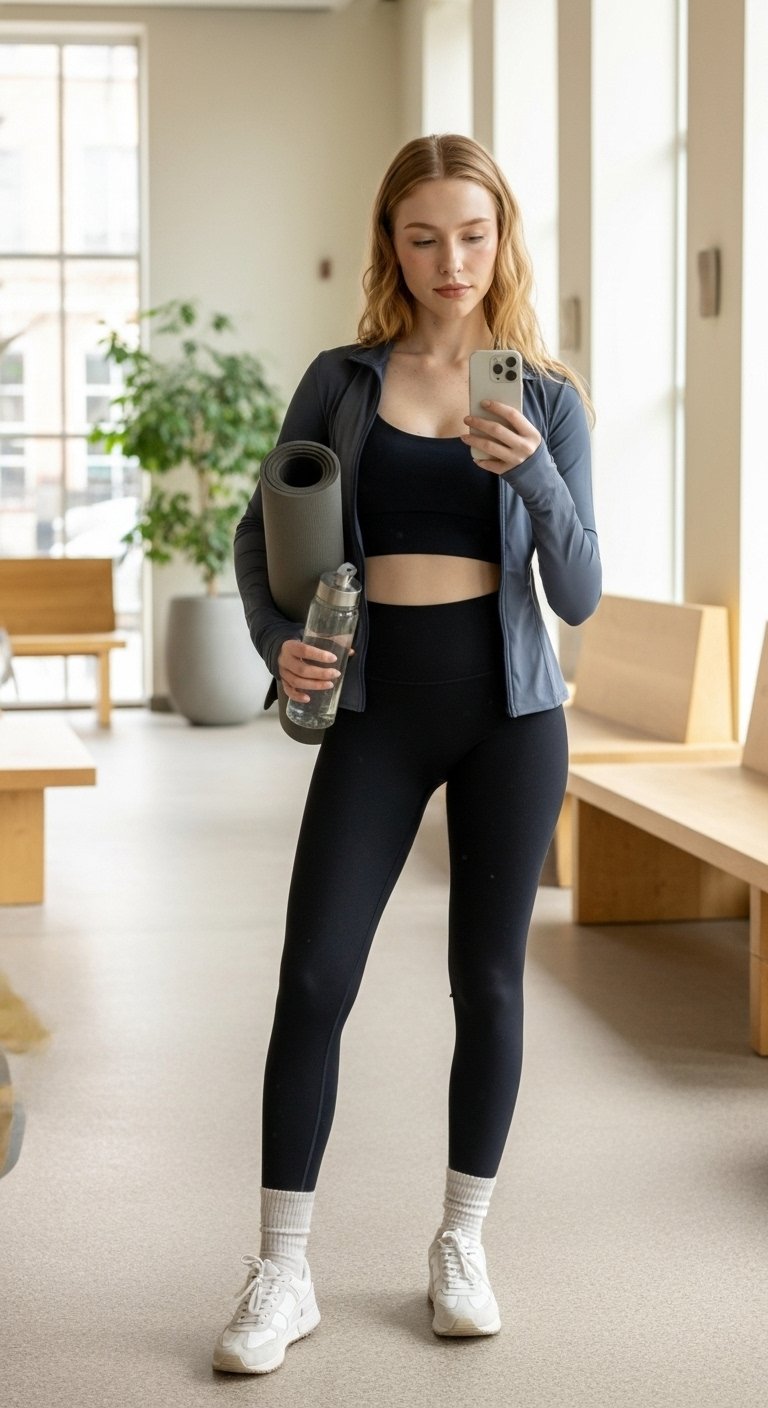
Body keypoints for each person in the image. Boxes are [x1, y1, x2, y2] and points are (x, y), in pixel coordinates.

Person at [214, 133, 601, 1376]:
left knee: (486, 985)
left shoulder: (544, 397)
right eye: (423, 234)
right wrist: (281, 643)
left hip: (510, 717)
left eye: (473, 234)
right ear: (391, 239)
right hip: (377, 714)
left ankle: (462, 1242)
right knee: (314, 981)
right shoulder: (339, 379)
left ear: (504, 239)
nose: (450, 259)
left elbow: (581, 591)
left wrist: (535, 476)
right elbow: (255, 534)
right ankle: (283, 1269)